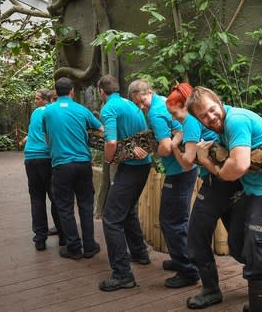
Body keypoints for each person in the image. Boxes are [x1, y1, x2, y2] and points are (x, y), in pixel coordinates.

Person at [187, 86, 262, 312]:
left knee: (259, 254)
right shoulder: (223, 128)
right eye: (203, 116)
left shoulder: (235, 120)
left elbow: (239, 165)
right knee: (239, 246)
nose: (210, 118)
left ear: (219, 101)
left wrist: (208, 164)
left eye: (212, 110)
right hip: (254, 193)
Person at [166, 83, 244, 309]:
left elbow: (189, 162)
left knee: (196, 235)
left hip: (217, 180)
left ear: (185, 107)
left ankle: (211, 289)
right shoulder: (213, 115)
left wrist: (174, 147)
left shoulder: (192, 120)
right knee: (238, 236)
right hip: (229, 180)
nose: (175, 118)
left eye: (175, 112)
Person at [129, 79, 199, 288]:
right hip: (186, 168)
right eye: (138, 105)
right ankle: (182, 260)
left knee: (171, 220)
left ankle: (187, 271)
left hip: (179, 171)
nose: (142, 107)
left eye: (143, 101)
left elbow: (166, 147)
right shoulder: (163, 102)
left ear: (149, 91)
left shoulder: (155, 113)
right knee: (179, 218)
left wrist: (154, 151)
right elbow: (179, 130)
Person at [96, 75, 153, 291]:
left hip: (131, 167)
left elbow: (110, 141)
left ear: (102, 90)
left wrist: (109, 159)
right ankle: (139, 254)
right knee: (127, 211)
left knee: (111, 219)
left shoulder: (109, 108)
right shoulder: (130, 103)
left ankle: (122, 274)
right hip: (143, 164)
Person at [42, 77, 103, 260]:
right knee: (85, 204)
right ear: (72, 92)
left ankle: (74, 247)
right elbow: (101, 129)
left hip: (61, 165)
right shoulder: (82, 110)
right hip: (83, 163)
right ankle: (90, 246)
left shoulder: (47, 112)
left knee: (65, 207)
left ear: (56, 92)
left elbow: (47, 138)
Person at [24, 89, 63, 250]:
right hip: (46, 157)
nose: (35, 101)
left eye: (37, 99)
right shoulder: (52, 112)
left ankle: (40, 238)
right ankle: (63, 235)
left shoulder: (35, 113)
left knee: (37, 198)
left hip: (30, 158)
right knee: (55, 197)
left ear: (45, 100)